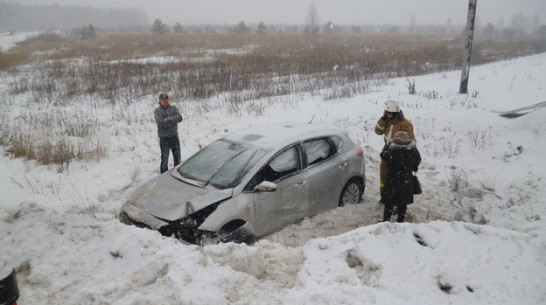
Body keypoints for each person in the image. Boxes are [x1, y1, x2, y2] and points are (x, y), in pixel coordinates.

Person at [374, 100, 415, 199]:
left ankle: (396, 200)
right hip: (387, 150)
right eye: (386, 113)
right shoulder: (387, 122)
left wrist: (403, 154)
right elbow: (378, 131)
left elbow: (411, 142)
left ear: (394, 113)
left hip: (398, 154)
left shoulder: (405, 124)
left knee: (396, 178)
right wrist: (383, 119)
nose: (387, 115)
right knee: (384, 174)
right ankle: (384, 195)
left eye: (389, 113)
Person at [379, 131, 421, 222]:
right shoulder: (413, 150)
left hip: (392, 179)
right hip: (406, 179)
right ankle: (400, 221)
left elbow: (383, 155)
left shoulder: (392, 150)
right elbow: (418, 160)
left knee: (389, 202)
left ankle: (385, 221)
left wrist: (388, 145)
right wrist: (413, 167)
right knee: (403, 202)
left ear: (396, 141)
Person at [154, 93, 183, 173]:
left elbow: (180, 118)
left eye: (166, 98)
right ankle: (163, 176)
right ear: (160, 101)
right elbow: (161, 123)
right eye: (163, 99)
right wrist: (173, 119)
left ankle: (177, 174)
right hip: (164, 138)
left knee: (177, 158)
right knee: (165, 159)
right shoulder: (157, 111)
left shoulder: (173, 108)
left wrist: (168, 119)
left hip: (174, 137)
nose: (165, 100)